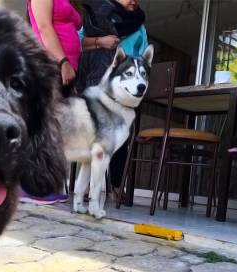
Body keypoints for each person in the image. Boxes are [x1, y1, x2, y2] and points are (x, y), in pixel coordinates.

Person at [76, 0, 148, 198]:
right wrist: (100, 41)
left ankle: (116, 186)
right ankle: (85, 188)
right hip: (95, 81)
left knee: (120, 137)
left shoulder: (139, 27)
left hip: (123, 89)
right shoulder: (97, 15)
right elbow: (77, 43)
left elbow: (142, 60)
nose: (134, 1)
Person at [21, 0, 83, 204]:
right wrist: (63, 62)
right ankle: (32, 188)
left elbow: (75, 33)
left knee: (54, 127)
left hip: (65, 71)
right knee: (44, 126)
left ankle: (41, 185)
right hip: (50, 65)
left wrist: (99, 42)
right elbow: (44, 27)